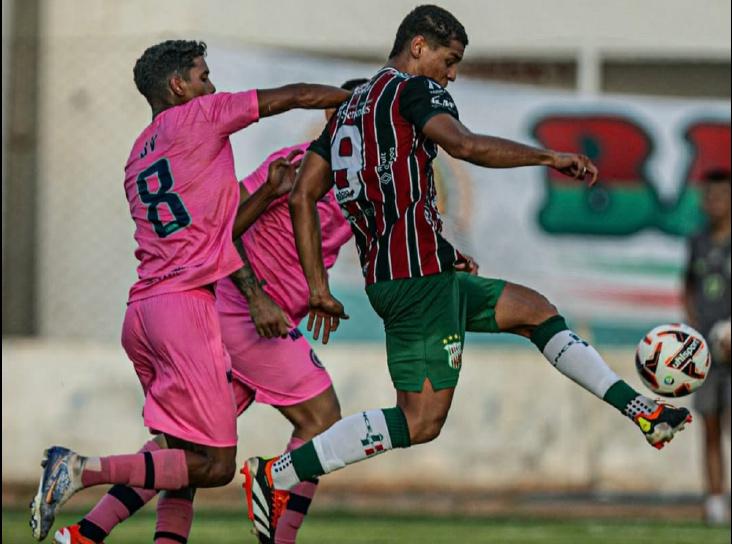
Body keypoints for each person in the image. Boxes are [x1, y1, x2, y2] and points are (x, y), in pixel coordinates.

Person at [241, 6, 694, 542]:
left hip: (415, 272)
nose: (451, 74)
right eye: (449, 60)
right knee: (420, 422)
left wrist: (321, 287)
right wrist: (549, 157)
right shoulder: (412, 91)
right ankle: (278, 474)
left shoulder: (349, 108)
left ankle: (642, 411)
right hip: (417, 283)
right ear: (418, 47)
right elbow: (466, 145)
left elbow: (303, 195)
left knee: (536, 312)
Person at [30, 39, 350, 542]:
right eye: (203, 76)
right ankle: (82, 469)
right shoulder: (203, 116)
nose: (213, 86)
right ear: (179, 85)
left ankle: (88, 533)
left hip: (144, 311)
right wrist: (364, 100)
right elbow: (293, 95)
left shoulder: (138, 155)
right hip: (189, 310)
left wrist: (268, 194)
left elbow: (211, 233)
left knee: (183, 455)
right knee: (221, 462)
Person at [683, 168, 731, 525]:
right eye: (709, 196)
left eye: (721, 196)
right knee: (709, 424)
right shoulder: (697, 241)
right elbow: (688, 287)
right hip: (706, 354)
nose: (714, 202)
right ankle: (715, 501)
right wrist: (694, 331)